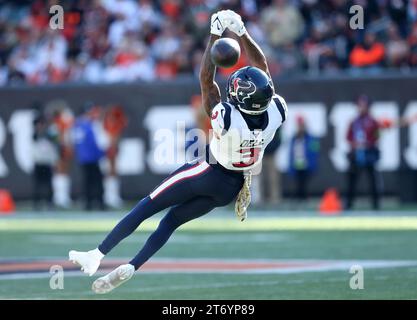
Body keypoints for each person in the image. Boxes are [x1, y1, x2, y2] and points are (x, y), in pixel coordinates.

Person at [69, 9, 288, 294]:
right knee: (171, 221)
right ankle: (133, 265)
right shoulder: (276, 112)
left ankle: (97, 254)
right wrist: (243, 32)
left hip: (208, 171)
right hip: (231, 187)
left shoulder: (228, 117)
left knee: (147, 205)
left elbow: (206, 80)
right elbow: (264, 71)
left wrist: (215, 33)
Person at [345, 94, 381, 210]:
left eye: (363, 105)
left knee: (373, 180)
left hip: (369, 153)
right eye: (360, 105)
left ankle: (376, 204)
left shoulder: (373, 121)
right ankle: (349, 204)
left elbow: (377, 136)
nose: (361, 108)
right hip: (357, 154)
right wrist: (355, 144)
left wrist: (368, 143)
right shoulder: (354, 122)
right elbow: (348, 137)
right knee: (352, 180)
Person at [72, 103, 109, 211]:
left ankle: (90, 203)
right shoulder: (91, 124)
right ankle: (98, 202)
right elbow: (100, 141)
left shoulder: (77, 124)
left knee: (89, 181)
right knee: (96, 180)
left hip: (84, 157)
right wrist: (102, 153)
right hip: (94, 156)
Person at [31, 104, 59, 210]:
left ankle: (49, 203)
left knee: (49, 184)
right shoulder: (34, 133)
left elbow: (55, 141)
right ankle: (37, 203)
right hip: (38, 161)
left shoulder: (50, 132)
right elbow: (35, 139)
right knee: (38, 184)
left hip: (47, 162)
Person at [288, 115, 320, 200]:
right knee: (298, 184)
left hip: (306, 164)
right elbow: (291, 153)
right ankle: (299, 200)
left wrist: (312, 163)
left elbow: (315, 151)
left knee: (304, 184)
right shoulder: (294, 138)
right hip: (297, 164)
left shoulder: (310, 138)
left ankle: (304, 200)